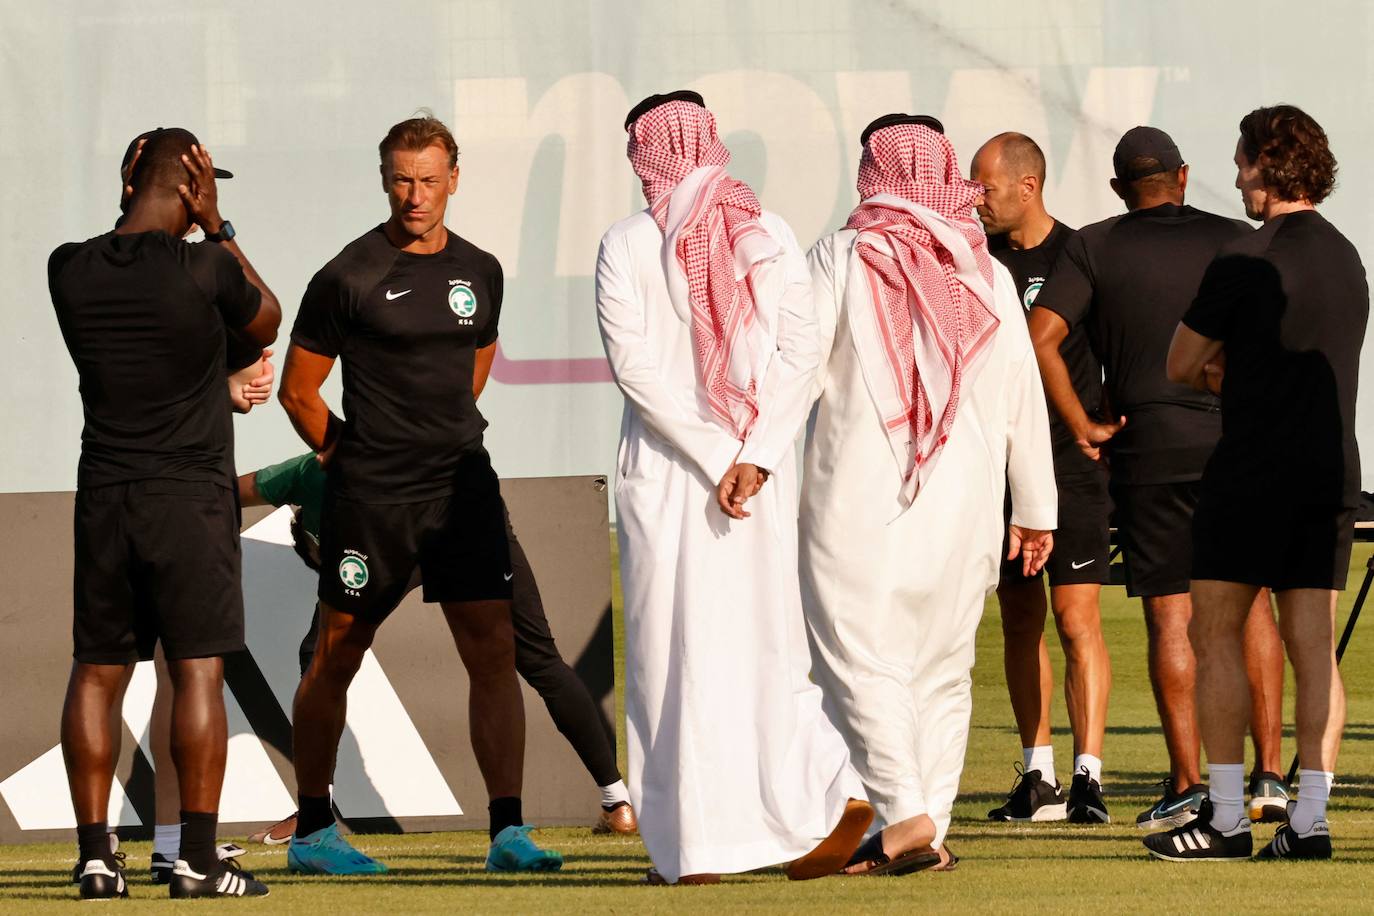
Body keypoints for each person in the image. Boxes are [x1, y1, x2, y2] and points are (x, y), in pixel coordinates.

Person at [596, 91, 872, 885]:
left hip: (680, 478)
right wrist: (754, 453)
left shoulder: (628, 241)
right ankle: (819, 799)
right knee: (767, 650)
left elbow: (638, 374)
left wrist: (727, 456)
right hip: (751, 481)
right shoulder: (771, 231)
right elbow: (799, 361)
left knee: (672, 660)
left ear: (645, 154)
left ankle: (694, 850)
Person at [278, 113, 563, 875]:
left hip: (463, 492)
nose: (415, 195)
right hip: (374, 503)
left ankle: (507, 832)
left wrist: (441, 443)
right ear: (383, 179)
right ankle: (313, 830)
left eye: (429, 179)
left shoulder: (482, 270)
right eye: (402, 179)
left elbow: (474, 370)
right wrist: (356, 458)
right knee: (336, 657)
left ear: (454, 180)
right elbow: (298, 393)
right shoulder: (347, 275)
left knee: (493, 654)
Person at [801, 114, 1057, 874]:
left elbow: (798, 367)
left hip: (863, 496)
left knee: (858, 655)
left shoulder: (846, 253)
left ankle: (907, 812)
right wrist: (1036, 509)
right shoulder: (986, 270)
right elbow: (1023, 398)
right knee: (943, 668)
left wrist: (752, 456)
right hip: (969, 506)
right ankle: (926, 827)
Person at [1029, 126, 1290, 829]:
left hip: (1148, 450)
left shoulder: (1093, 244)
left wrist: (1081, 423)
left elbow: (1042, 335)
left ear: (1120, 189)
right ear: (1181, 176)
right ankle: (1268, 776)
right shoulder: (1236, 238)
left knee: (1173, 613)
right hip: (1234, 440)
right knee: (1254, 604)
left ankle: (1187, 782)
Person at [50, 128, 281, 899]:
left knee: (97, 672)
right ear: (191, 190)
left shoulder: (68, 267)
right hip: (188, 500)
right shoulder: (207, 263)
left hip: (106, 499)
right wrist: (220, 226)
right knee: (196, 672)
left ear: (126, 181)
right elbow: (267, 320)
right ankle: (196, 860)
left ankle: (94, 859)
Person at [1147, 105, 1367, 861]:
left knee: (1212, 637)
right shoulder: (1346, 254)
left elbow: (1179, 363)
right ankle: (1309, 821)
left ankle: (1231, 818)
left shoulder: (1245, 255)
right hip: (1332, 466)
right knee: (1314, 649)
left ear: (1265, 163)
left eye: (1241, 161)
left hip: (1252, 469)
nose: (1235, 176)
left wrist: (1225, 369)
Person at [237, 447, 637, 844]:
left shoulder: (305, 473)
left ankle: (314, 814)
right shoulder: (307, 474)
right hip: (457, 512)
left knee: (320, 658)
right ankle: (616, 800)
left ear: (308, 526)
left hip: (435, 518)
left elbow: (226, 487)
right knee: (540, 660)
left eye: (323, 561)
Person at [970, 132, 1113, 824]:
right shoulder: (975, 260)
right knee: (1019, 619)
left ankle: (1090, 779)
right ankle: (1039, 777)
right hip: (1000, 468)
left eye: (986, 186)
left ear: (1027, 186)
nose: (976, 199)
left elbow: (1116, 347)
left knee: (1076, 617)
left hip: (1071, 466)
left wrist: (1104, 425)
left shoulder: (1079, 254)